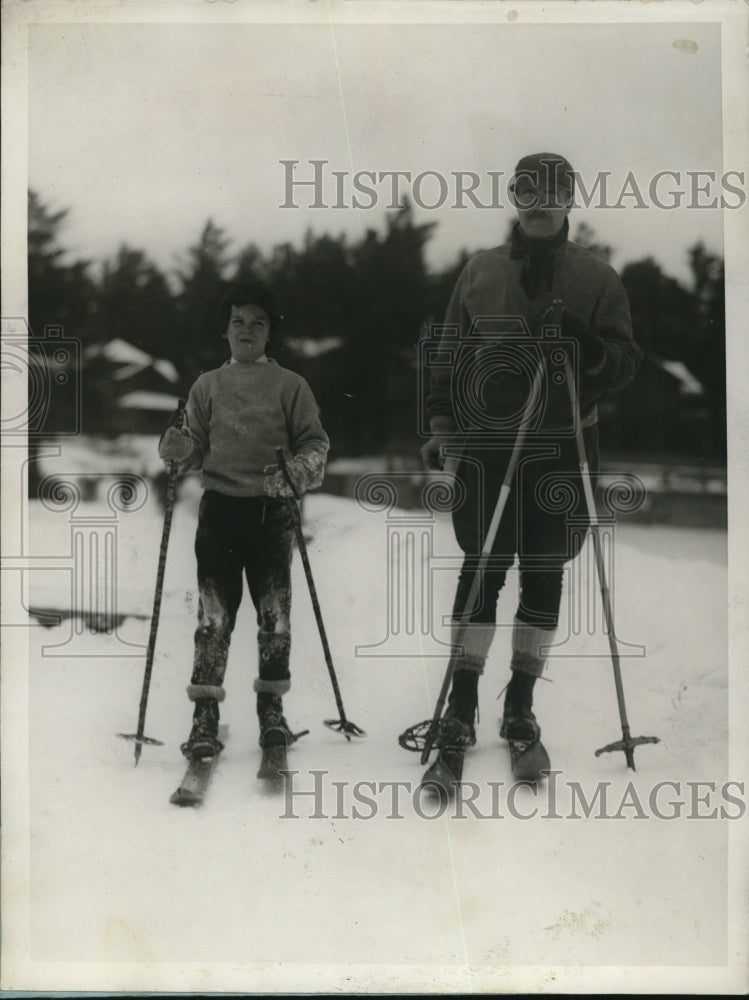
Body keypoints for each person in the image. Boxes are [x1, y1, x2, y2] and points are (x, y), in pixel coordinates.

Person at [420, 152, 642, 764]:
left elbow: (625, 362)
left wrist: (581, 340)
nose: (538, 201)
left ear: (571, 198)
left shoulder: (597, 278)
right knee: (482, 564)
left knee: (545, 569)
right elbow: (449, 352)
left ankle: (520, 700)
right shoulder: (481, 271)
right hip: (487, 441)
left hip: (564, 444)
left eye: (552, 190)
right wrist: (442, 424)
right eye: (525, 189)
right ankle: (461, 702)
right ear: (514, 198)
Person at [159, 280, 330, 760]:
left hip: (273, 514)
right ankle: (204, 715)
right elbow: (189, 449)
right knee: (213, 618)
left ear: (271, 331)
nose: (247, 330)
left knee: (274, 618)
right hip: (220, 513)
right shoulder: (207, 385)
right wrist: (177, 450)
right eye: (238, 322)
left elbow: (315, 444)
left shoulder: (290, 386)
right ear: (225, 330)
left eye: (258, 323)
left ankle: (271, 711)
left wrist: (296, 472)